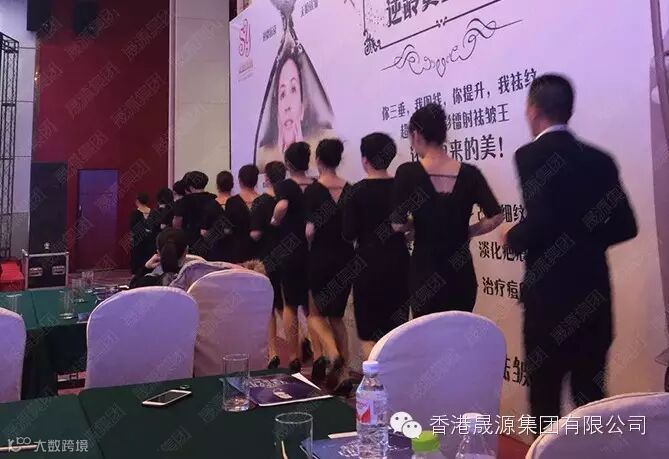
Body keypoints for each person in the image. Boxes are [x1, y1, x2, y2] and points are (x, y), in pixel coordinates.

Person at [505, 74, 638, 432]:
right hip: (594, 294)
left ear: (533, 110)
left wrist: (512, 237)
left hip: (548, 300)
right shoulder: (600, 159)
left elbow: (543, 219)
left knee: (544, 401)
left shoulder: (531, 155)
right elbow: (627, 225)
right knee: (591, 400)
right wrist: (584, 239)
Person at [392, 103, 503, 316]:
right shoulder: (470, 173)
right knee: (459, 331)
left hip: (425, 273)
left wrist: (417, 225)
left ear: (416, 135)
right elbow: (496, 216)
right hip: (461, 274)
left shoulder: (407, 173)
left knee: (428, 333)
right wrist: (469, 231)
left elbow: (397, 224)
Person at [343, 133, 410, 360]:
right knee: (397, 333)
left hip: (367, 266)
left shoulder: (355, 191)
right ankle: (397, 380)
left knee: (369, 335)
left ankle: (375, 381)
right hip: (399, 263)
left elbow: (348, 233)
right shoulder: (401, 188)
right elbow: (410, 223)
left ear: (365, 160)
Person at [304, 139, 354, 388]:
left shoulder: (313, 192)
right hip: (346, 258)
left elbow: (309, 231)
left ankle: (332, 353)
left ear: (318, 160)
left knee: (315, 314)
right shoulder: (351, 189)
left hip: (321, 256)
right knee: (336, 317)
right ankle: (344, 375)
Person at [271, 142, 315, 373]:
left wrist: (275, 221)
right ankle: (318, 353)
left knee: (290, 305)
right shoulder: (316, 185)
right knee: (311, 307)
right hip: (313, 251)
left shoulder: (285, 186)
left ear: (288, 164)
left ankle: (294, 355)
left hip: (290, 251)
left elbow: (281, 206)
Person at [256, 48, 333, 171]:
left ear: (303, 107)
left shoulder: (326, 144)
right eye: (282, 94)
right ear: (277, 111)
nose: (287, 106)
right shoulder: (263, 156)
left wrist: (301, 155)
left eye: (293, 89)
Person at [251, 161, 288, 369]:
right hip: (290, 256)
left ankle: (273, 352)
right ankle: (302, 342)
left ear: (266, 178)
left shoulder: (261, 202)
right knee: (288, 305)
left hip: (268, 257)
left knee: (270, 306)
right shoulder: (291, 199)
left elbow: (255, 234)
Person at [172, 171, 216, 256]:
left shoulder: (184, 201)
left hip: (189, 242)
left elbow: (177, 223)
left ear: (190, 186)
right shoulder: (214, 198)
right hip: (210, 243)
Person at [224, 165, 260, 263]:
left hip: (238, 250)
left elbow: (227, 229)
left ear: (240, 180)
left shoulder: (232, 202)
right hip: (259, 250)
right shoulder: (264, 200)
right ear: (256, 180)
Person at [202, 171, 234, 261]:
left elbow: (203, 232)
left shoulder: (210, 205)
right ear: (232, 185)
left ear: (217, 186)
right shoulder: (238, 204)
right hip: (235, 250)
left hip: (215, 250)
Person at [129, 192, 154, 274]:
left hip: (138, 240)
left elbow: (132, 228)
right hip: (150, 240)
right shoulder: (153, 212)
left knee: (137, 260)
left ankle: (136, 275)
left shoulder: (134, 214)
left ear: (137, 201)